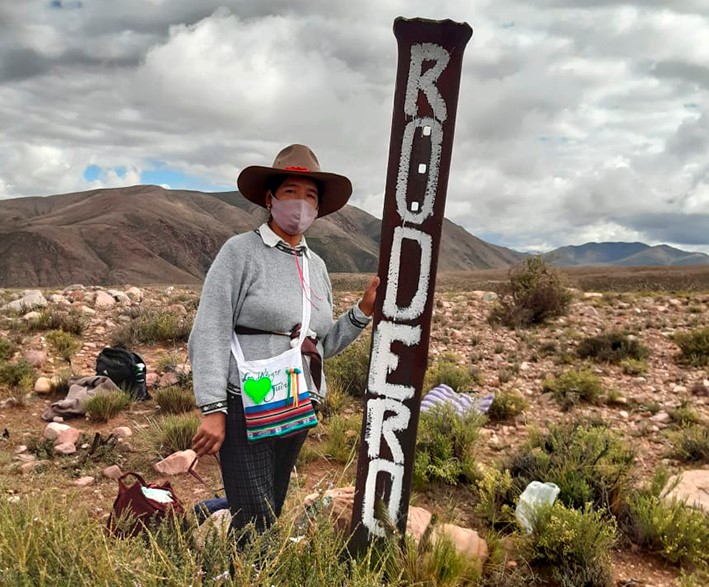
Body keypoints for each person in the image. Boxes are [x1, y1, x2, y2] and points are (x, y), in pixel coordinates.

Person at [188, 144, 379, 540]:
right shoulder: (240, 253)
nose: (301, 204)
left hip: (296, 401)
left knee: (269, 503)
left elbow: (317, 344)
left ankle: (236, 553)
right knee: (255, 515)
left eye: (311, 196)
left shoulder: (317, 265)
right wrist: (213, 407)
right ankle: (253, 569)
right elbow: (210, 329)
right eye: (291, 191)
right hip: (245, 400)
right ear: (269, 197)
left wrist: (361, 312)